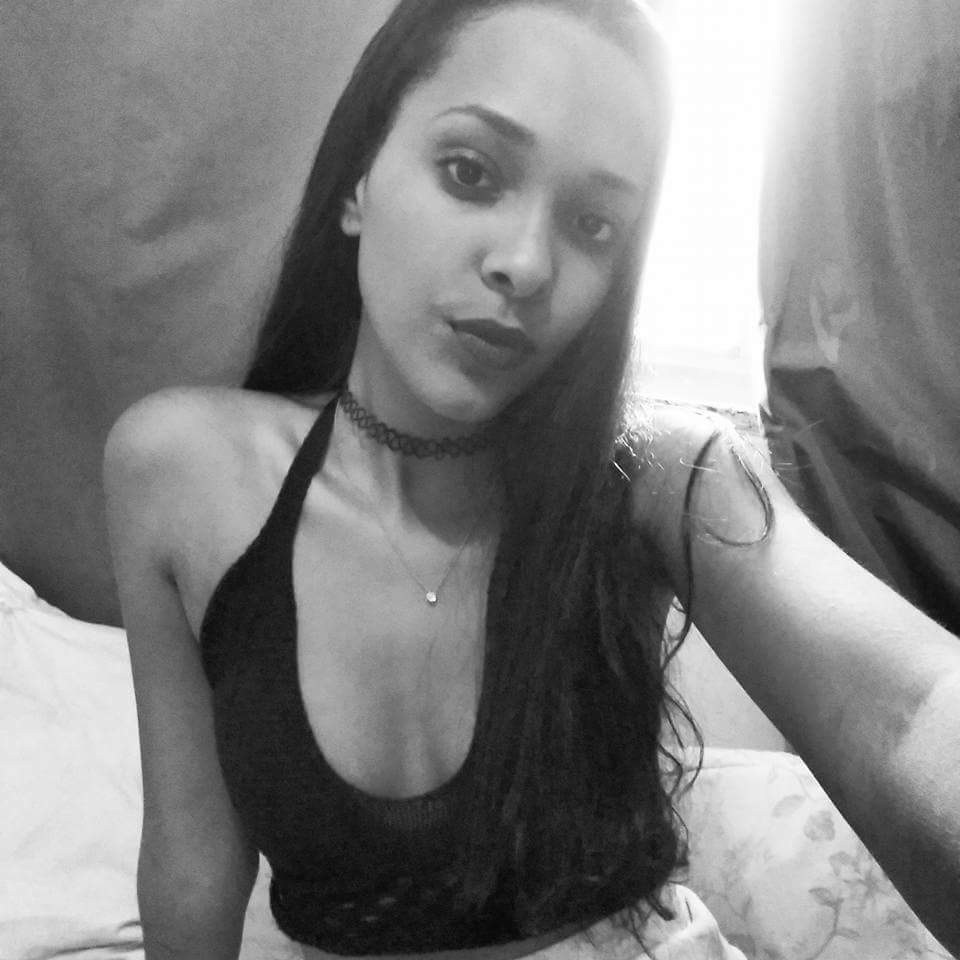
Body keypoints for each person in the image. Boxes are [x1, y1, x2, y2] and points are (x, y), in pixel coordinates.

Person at [102, 0, 960, 957]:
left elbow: (911, 710)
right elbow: (193, 856)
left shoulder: (658, 478)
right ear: (356, 183)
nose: (526, 263)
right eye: (470, 173)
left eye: (594, 225)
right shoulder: (180, 473)